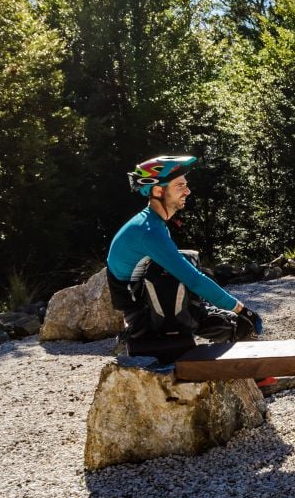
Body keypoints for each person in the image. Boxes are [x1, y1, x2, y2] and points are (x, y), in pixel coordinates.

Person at [106, 155, 264, 364]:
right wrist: (242, 309)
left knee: (189, 259)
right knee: (239, 324)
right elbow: (194, 280)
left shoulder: (150, 222)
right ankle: (258, 378)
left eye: (186, 185)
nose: (187, 191)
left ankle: (248, 374)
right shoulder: (149, 232)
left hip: (144, 303)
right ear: (158, 190)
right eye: (180, 186)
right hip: (143, 316)